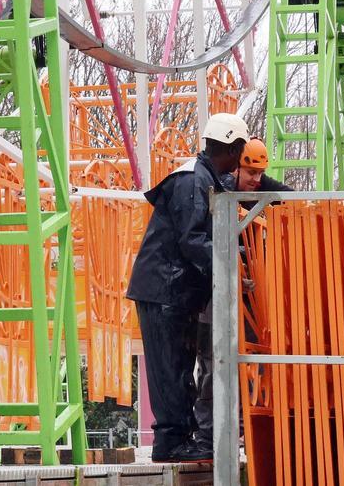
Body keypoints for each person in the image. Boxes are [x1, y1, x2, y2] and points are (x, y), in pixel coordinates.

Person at [126, 112, 249, 463]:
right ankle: (171, 442)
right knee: (171, 367)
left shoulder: (205, 179)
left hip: (173, 291)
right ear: (233, 148)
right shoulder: (190, 181)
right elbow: (193, 239)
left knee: (178, 366)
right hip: (164, 290)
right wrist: (232, 266)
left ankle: (177, 438)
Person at [193, 137, 294, 454]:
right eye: (251, 173)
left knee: (250, 360)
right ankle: (210, 432)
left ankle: (243, 428)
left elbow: (293, 199)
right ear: (234, 166)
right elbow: (205, 240)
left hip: (250, 299)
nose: (257, 180)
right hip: (214, 294)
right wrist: (237, 261)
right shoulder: (219, 190)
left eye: (261, 173)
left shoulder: (261, 187)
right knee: (213, 361)